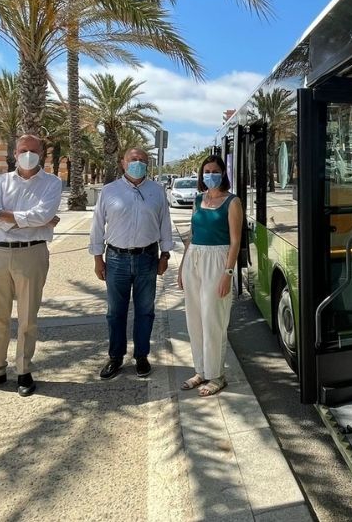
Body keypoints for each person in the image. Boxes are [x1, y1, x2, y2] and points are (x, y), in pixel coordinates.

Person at [0, 135, 63, 399]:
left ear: (42, 153)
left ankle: (23, 371)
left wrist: (4, 216)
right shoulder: (0, 181)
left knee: (28, 318)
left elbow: (42, 214)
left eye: (33, 150)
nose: (28, 154)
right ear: (15, 153)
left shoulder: (52, 183)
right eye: (23, 150)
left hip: (31, 253)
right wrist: (28, 220)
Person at [90, 148, 174, 379]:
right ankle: (115, 357)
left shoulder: (157, 191)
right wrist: (98, 258)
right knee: (115, 312)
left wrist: (165, 255)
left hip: (148, 257)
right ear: (123, 163)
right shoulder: (109, 191)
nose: (138, 163)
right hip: (116, 259)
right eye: (133, 159)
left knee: (145, 311)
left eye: (142, 160)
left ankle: (142, 356)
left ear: (148, 164)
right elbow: (97, 225)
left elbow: (165, 223)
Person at [178, 155, 242, 397]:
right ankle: (201, 370)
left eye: (215, 171)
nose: (210, 175)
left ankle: (216, 375)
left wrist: (228, 274)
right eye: (206, 171)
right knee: (194, 319)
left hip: (217, 261)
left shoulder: (232, 202)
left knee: (213, 319)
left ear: (223, 173)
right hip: (193, 259)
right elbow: (191, 236)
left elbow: (235, 241)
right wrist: (182, 267)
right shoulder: (198, 199)